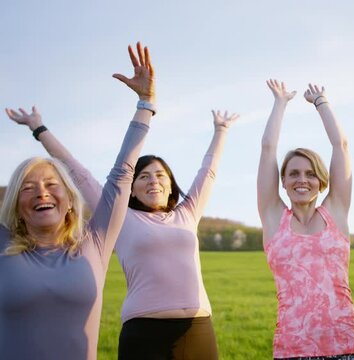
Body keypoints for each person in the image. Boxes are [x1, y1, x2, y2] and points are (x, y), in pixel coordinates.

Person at [7, 42, 238, 360]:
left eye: (160, 175)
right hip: (144, 330)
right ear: (131, 188)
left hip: (197, 328)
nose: (153, 180)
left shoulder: (188, 213)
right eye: (143, 176)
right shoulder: (118, 217)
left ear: (171, 185)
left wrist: (221, 131)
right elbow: (77, 171)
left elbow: (208, 172)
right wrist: (39, 129)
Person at [0, 46, 151, 359]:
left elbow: (123, 172)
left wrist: (145, 103)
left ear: (69, 200)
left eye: (51, 184)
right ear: (16, 204)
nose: (41, 192)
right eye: (28, 188)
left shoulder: (94, 242)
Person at [257, 80, 354, 360]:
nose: (302, 180)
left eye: (310, 173)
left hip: (346, 344)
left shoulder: (337, 212)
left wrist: (322, 102)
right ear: (283, 181)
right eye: (293, 173)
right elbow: (268, 149)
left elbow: (340, 145)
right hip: (292, 349)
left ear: (321, 181)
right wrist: (280, 103)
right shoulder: (273, 218)